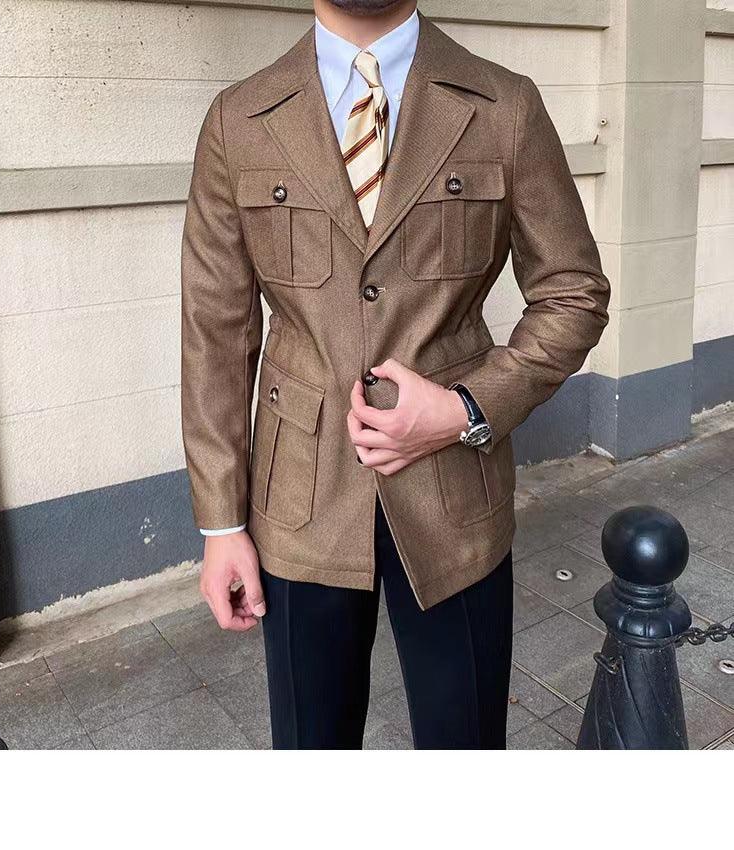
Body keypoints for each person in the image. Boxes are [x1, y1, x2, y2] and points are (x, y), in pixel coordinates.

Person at [181, 0, 610, 749]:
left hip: (454, 495)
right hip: (299, 502)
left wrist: (466, 407)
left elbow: (574, 292)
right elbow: (216, 334)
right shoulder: (239, 119)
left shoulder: (502, 106)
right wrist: (222, 523)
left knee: (464, 749)